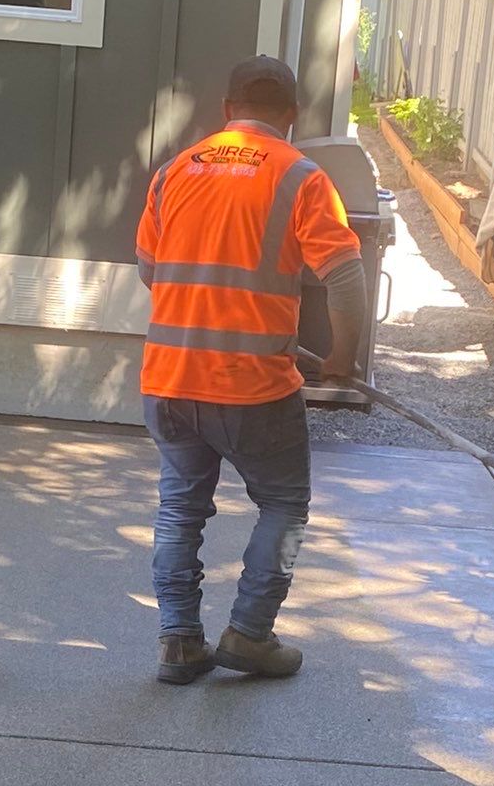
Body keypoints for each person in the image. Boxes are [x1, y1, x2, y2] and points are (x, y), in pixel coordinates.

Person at [135, 55, 366, 683]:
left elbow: (151, 270)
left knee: (180, 510)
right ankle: (249, 635)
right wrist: (343, 358)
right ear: (290, 115)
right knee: (284, 505)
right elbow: (344, 277)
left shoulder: (174, 172)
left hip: (169, 382)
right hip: (252, 389)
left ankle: (179, 642)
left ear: (227, 110)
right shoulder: (300, 176)